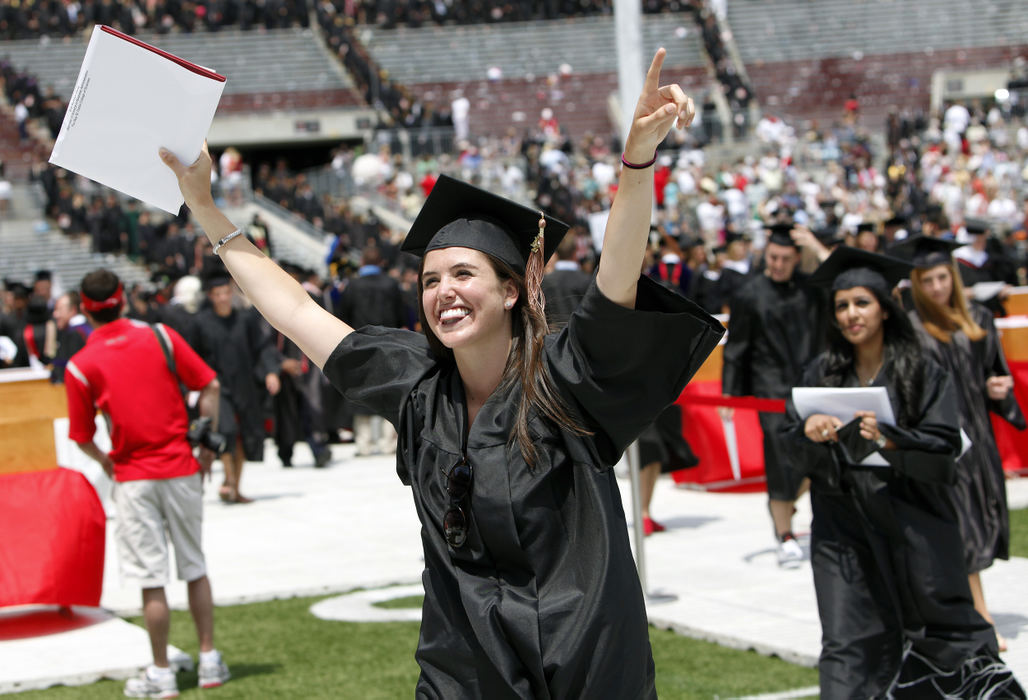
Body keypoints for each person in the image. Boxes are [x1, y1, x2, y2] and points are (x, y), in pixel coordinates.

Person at [161, 47, 723, 698]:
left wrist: (635, 163)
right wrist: (204, 205)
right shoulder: (416, 384)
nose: (443, 292)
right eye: (431, 279)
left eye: (463, 274)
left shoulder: (567, 376)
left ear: (513, 291)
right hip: (463, 670)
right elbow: (292, 308)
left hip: (581, 665)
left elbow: (617, 274)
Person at [782, 246, 1024, 699]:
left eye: (861, 303)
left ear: (885, 309)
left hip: (914, 523)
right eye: (842, 306)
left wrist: (891, 438)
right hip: (844, 526)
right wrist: (808, 431)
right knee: (848, 640)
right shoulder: (823, 372)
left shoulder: (920, 373)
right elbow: (790, 448)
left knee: (939, 631)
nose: (851, 314)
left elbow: (945, 445)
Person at [64, 269, 230, 698]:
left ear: (85, 309)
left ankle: (161, 673)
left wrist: (107, 464)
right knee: (195, 566)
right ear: (123, 301)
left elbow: (81, 438)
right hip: (181, 467)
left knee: (151, 578)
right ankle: (210, 659)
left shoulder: (80, 365)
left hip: (134, 476)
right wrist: (206, 446)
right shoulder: (160, 335)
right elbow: (209, 385)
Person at [894, 234, 1026, 652]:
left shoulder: (981, 320)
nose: (936, 288)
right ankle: (981, 619)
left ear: (951, 274)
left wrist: (998, 389)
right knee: (963, 528)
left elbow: (993, 375)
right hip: (945, 441)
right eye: (926, 280)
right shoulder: (912, 330)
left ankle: (964, 613)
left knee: (984, 522)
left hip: (980, 441)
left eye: (941, 277)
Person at [721, 222, 827, 567]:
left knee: (817, 459)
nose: (778, 264)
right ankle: (784, 534)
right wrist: (729, 395)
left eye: (785, 258)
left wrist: (815, 245)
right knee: (781, 461)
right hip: (771, 390)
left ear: (797, 258)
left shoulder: (810, 290)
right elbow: (736, 347)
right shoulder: (750, 293)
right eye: (773, 257)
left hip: (810, 386)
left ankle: (786, 508)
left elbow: (843, 282)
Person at [194, 276, 280, 503]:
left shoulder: (245, 320)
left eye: (226, 293)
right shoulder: (201, 323)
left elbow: (262, 348)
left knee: (244, 436)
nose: (223, 298)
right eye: (218, 294)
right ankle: (229, 482)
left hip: (245, 385)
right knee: (226, 431)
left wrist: (271, 371)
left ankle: (235, 487)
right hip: (217, 386)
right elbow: (193, 356)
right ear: (211, 296)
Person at [540, 232, 592, 327]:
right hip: (579, 336)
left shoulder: (545, 281)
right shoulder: (586, 280)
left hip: (553, 338)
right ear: (575, 252)